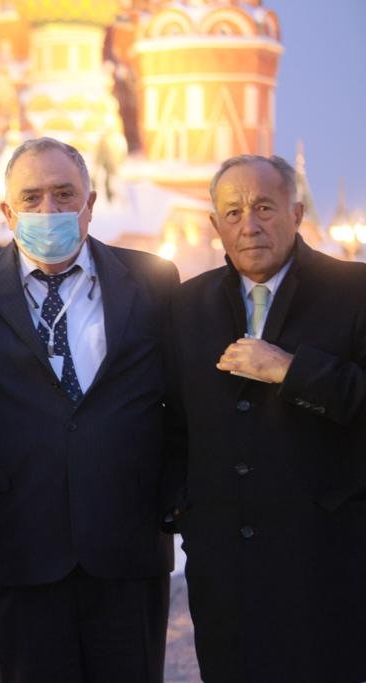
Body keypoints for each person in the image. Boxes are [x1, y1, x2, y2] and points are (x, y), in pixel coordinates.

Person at [0, 137, 178, 682]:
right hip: (18, 541)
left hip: (127, 539)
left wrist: (179, 500)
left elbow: (176, 399)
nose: (49, 209)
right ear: (7, 211)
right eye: (31, 198)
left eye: (64, 194)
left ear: (90, 202)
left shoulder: (153, 281)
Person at [167, 154, 366, 681]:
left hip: (325, 560)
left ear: (296, 213)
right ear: (215, 225)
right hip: (223, 567)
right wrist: (186, 510)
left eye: (264, 207)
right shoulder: (187, 304)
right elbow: (169, 419)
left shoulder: (355, 290)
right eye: (233, 213)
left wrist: (293, 371)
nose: (249, 225)